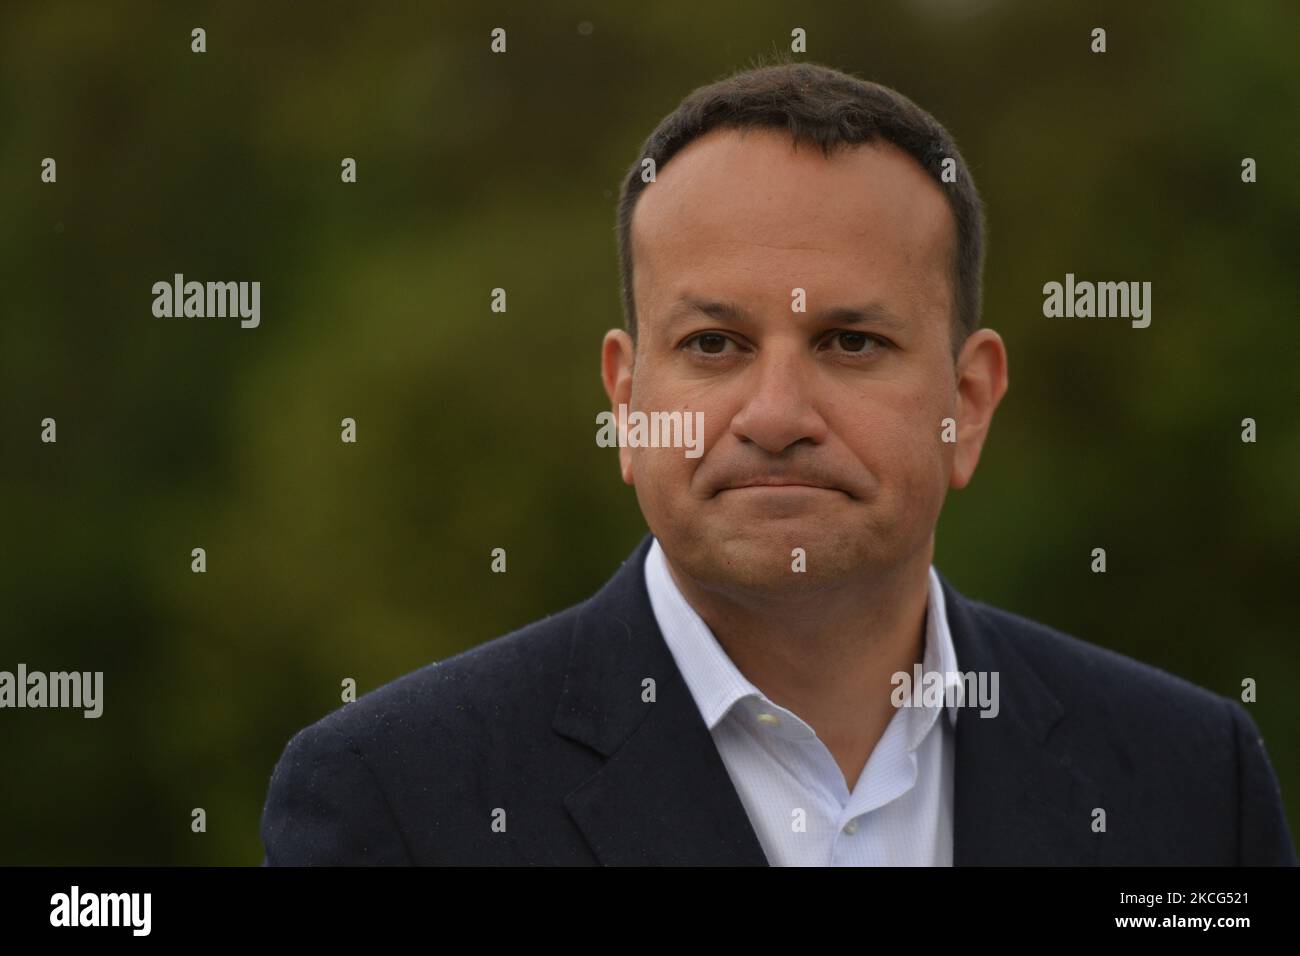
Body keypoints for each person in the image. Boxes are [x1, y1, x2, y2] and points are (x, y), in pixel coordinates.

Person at [260, 60, 1295, 866]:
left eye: (851, 342)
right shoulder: (397, 798)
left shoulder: (1188, 780)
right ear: (626, 400)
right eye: (713, 344)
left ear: (967, 404)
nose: (775, 413)